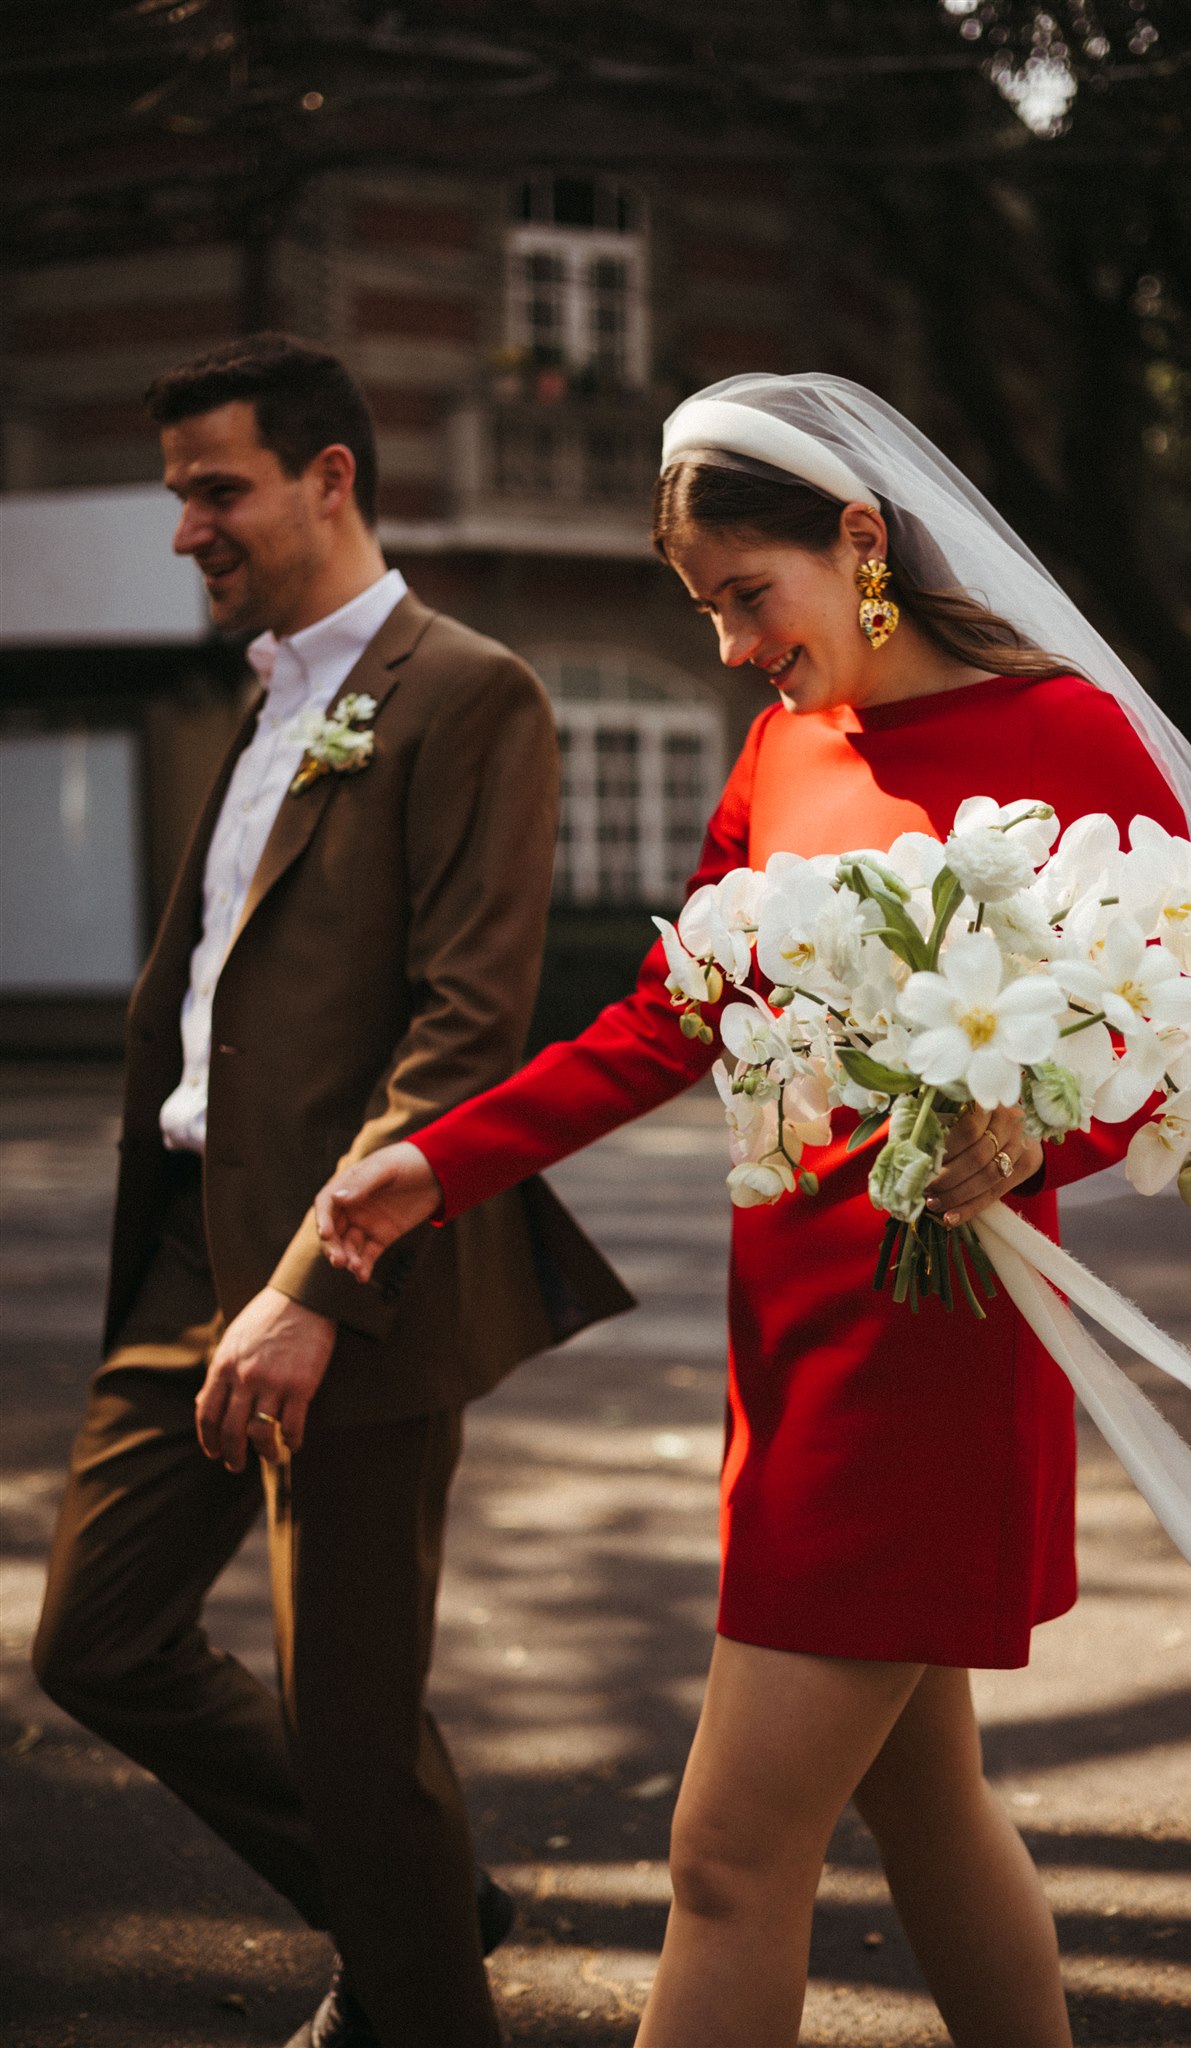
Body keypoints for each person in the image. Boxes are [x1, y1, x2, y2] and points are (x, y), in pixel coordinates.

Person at [311, 373, 1191, 2048]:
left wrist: (1028, 1139)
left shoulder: (1067, 736)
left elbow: (1184, 1023)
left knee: (725, 1861)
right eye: (704, 612)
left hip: (941, 1353)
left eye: (746, 598)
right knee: (922, 1807)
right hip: (794, 1341)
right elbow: (668, 1016)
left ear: (858, 538)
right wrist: (439, 1160)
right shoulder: (777, 752)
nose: (731, 646)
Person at [30, 332, 631, 2048]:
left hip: (349, 1276)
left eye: (214, 490)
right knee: (100, 1643)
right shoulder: (275, 690)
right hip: (181, 1258)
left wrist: (312, 1286)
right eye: (175, 496)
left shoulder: (471, 690)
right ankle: (418, 1908)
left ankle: (415, 1988)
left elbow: (465, 1028)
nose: (183, 531)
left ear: (328, 476)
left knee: (357, 1728)